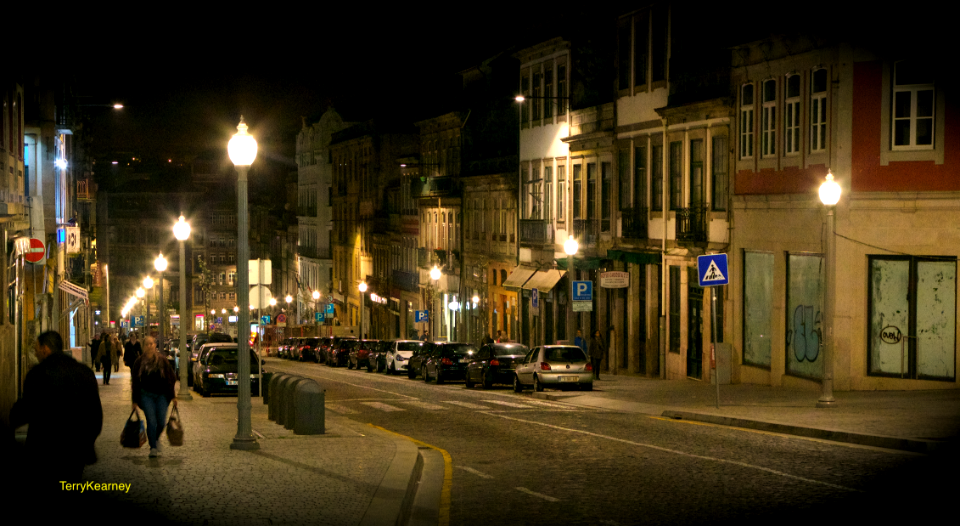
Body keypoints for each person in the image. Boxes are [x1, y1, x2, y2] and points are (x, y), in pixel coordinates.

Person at [9, 331, 102, 489]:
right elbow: (95, 416)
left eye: (36, 348)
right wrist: (85, 443)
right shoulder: (85, 373)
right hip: (75, 452)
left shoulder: (38, 374)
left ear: (45, 349)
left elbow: (25, 410)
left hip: (44, 452)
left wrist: (12, 418)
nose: (36, 352)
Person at [131, 336, 178, 458]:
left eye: (151, 344)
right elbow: (135, 382)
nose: (150, 346)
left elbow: (170, 378)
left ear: (155, 345)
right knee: (151, 421)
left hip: (162, 395)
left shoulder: (162, 361)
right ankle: (153, 447)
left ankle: (155, 438)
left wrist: (173, 396)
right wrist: (134, 400)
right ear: (143, 346)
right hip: (146, 395)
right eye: (147, 344)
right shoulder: (139, 362)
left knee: (161, 422)